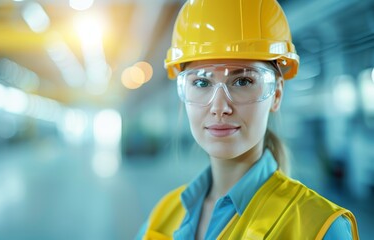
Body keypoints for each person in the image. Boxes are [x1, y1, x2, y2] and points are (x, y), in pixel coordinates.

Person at [136, 0, 359, 239]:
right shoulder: (164, 215)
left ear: (276, 94)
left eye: (242, 81)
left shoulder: (320, 229)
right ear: (184, 94)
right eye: (201, 82)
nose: (220, 107)